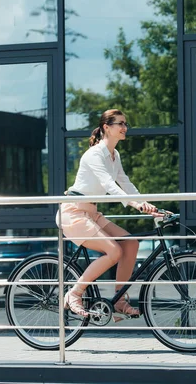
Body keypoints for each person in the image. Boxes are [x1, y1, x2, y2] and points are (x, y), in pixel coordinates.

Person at [56, 109, 160, 320]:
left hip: (91, 212)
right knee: (114, 251)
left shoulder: (115, 155)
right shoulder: (94, 154)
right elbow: (108, 185)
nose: (124, 128)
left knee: (131, 243)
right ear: (106, 127)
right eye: (120, 124)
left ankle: (120, 300)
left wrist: (147, 204)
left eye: (125, 124)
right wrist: (134, 205)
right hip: (74, 212)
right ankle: (74, 293)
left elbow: (126, 183)